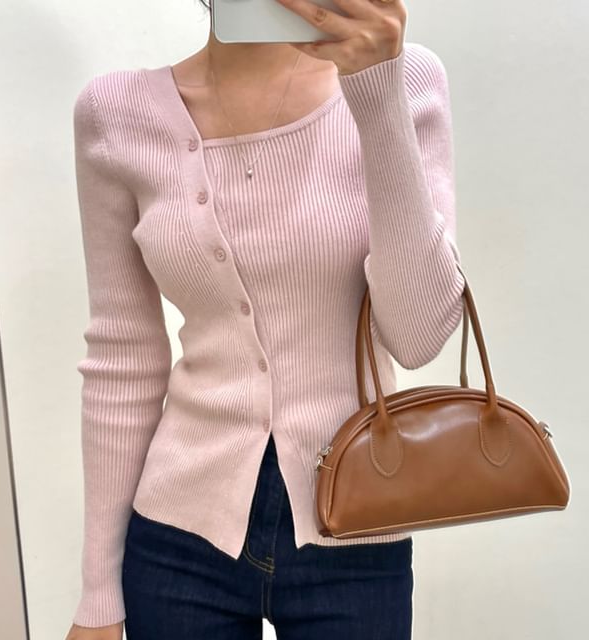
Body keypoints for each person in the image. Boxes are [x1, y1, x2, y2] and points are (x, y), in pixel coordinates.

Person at [65, 0, 465, 638]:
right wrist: (97, 598)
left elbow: (418, 337)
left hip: (357, 533)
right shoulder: (115, 114)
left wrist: (377, 93)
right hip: (177, 539)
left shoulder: (406, 79)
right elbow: (123, 358)